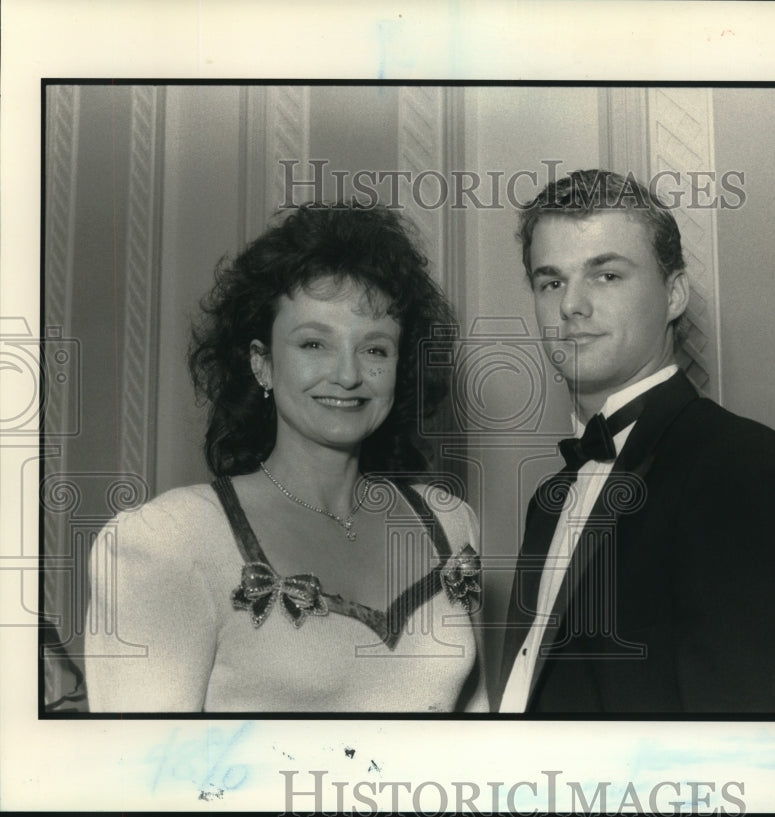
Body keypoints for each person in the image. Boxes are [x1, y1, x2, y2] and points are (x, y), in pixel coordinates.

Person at [85, 203, 488, 712]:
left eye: (376, 349)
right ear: (262, 364)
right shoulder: (168, 541)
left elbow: (483, 734)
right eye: (315, 343)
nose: (347, 375)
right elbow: (143, 779)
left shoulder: (450, 524)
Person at [498, 170, 775, 714]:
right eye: (551, 282)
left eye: (606, 275)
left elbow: (755, 750)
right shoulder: (549, 500)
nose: (571, 306)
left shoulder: (743, 468)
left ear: (675, 294)